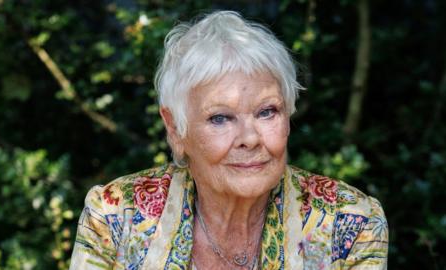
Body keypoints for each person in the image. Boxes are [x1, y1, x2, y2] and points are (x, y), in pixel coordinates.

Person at [69, 10, 388, 270]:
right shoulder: (115, 217)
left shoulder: (350, 223)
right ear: (176, 130)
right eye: (220, 118)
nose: (249, 138)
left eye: (267, 112)